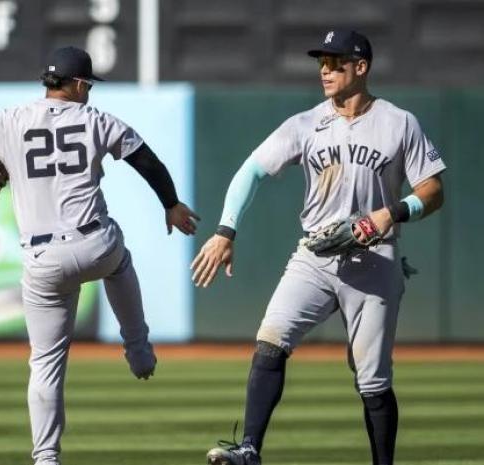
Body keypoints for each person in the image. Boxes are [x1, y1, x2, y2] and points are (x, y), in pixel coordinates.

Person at [191, 29, 446, 465]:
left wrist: (391, 213)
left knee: (372, 381)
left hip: (375, 257)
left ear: (360, 67)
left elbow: (433, 190)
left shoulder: (398, 122)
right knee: (270, 339)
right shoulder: (304, 124)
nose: (324, 70)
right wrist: (225, 230)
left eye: (335, 62)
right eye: (321, 62)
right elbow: (249, 172)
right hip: (315, 254)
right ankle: (250, 448)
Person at [0, 46, 199, 465]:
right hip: (94, 244)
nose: (88, 92)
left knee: (46, 363)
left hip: (41, 258)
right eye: (86, 85)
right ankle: (138, 347)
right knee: (119, 259)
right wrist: (171, 203)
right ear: (75, 84)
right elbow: (147, 161)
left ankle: (46, 458)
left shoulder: (8, 119)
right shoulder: (95, 119)